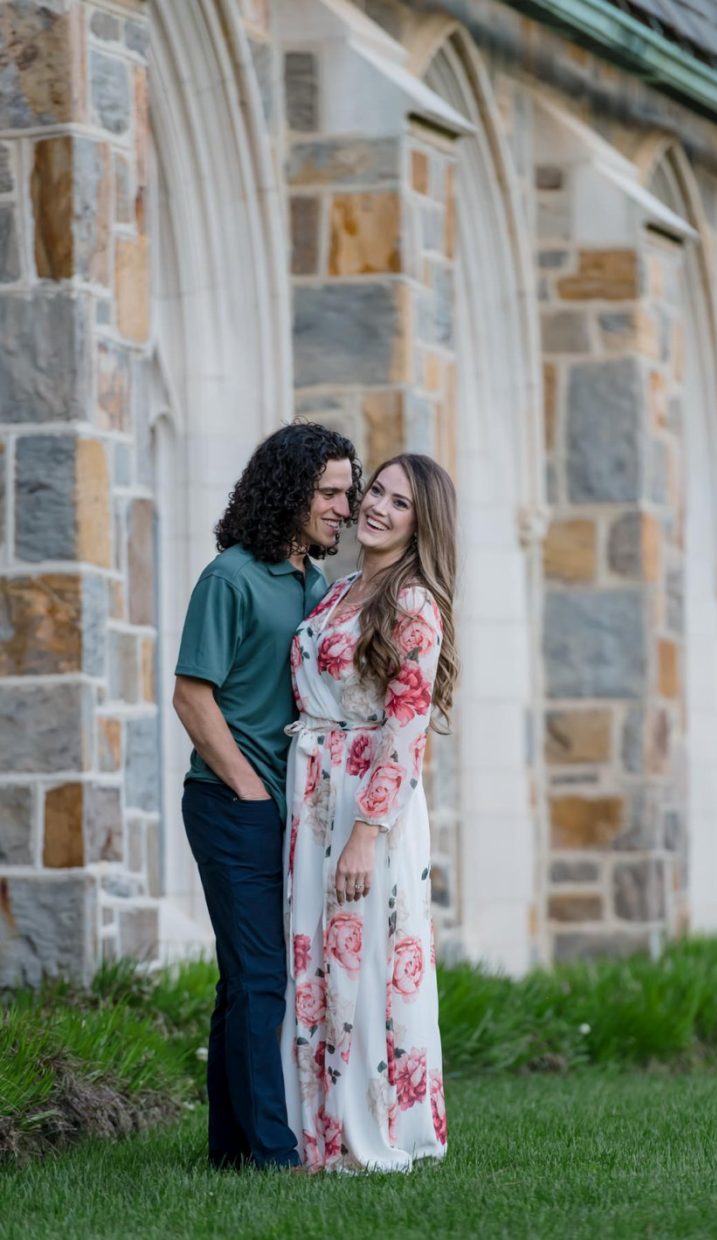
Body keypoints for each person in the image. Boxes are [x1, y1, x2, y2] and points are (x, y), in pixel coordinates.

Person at [172, 423, 361, 1170]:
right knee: (260, 977)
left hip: (291, 815)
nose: (345, 507)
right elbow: (192, 697)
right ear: (288, 491)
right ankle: (274, 1155)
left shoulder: (316, 583)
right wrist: (251, 793)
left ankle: (230, 1148)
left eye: (350, 491)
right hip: (232, 807)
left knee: (242, 979)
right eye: (331, 492)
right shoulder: (231, 577)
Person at [280, 453, 458, 1172]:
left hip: (367, 808)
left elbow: (405, 730)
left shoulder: (413, 603)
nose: (377, 507)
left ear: (422, 525)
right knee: (316, 956)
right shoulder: (340, 590)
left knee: (363, 958)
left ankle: (368, 1132)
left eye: (399, 502)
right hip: (314, 794)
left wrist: (364, 833)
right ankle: (312, 1132)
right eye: (375, 491)